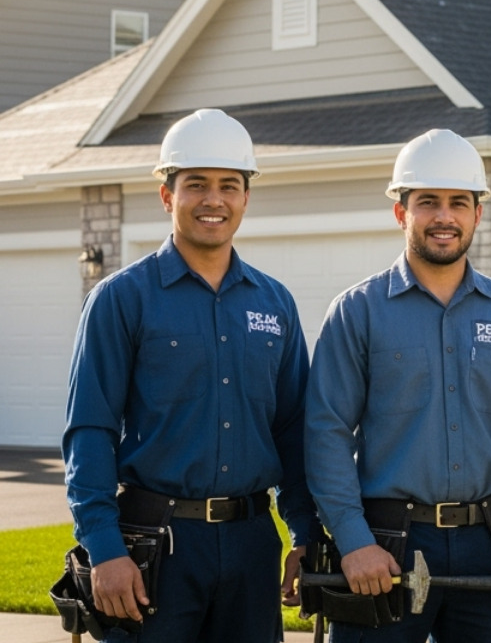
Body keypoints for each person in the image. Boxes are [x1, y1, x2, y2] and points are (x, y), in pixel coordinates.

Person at [61, 108, 312, 642]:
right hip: (153, 545)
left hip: (251, 544)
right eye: (195, 184)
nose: (213, 200)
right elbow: (90, 432)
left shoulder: (276, 303)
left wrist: (304, 532)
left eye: (229, 185)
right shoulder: (121, 299)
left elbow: (293, 431)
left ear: (247, 197)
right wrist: (104, 548)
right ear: (167, 195)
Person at [305, 128, 491, 643]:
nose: (445, 216)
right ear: (401, 212)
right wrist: (353, 541)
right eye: (428, 202)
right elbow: (326, 433)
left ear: (477, 214)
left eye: (458, 203)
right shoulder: (357, 312)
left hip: (487, 546)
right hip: (385, 545)